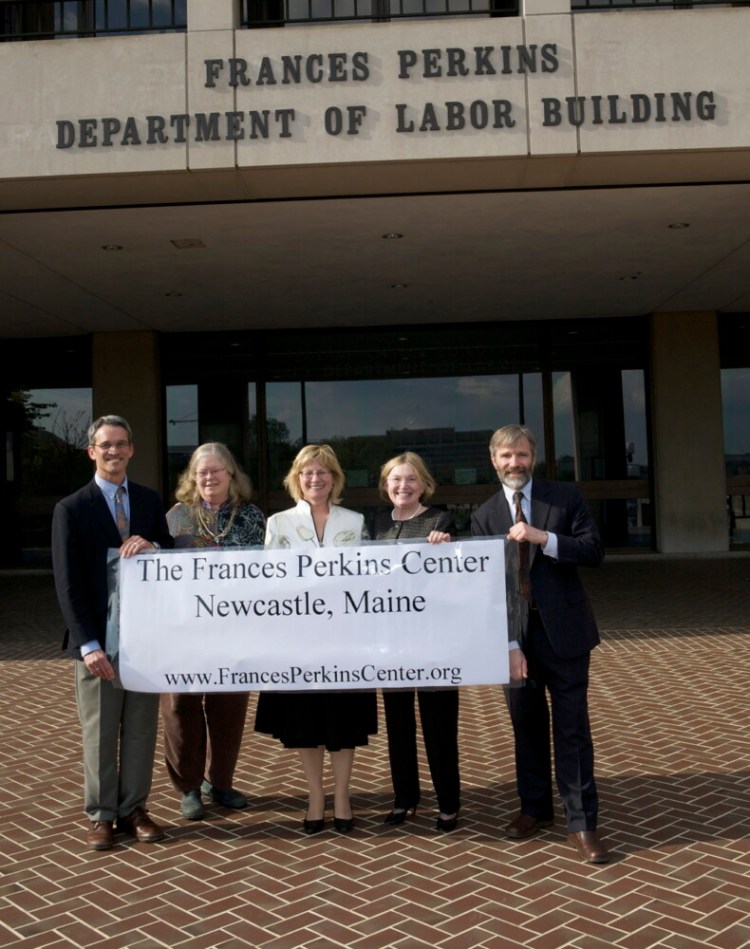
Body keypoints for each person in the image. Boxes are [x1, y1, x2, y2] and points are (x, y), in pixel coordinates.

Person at [471, 424, 610, 864]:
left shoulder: (564, 497)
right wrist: (508, 642)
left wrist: (542, 538)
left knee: (571, 730)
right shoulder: (485, 515)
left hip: (565, 635)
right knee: (525, 727)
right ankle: (534, 808)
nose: (516, 463)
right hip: (515, 642)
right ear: (494, 460)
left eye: (523, 455)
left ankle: (582, 823)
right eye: (507, 456)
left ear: (534, 457)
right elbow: (486, 588)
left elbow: (593, 550)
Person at [51, 414, 173, 851]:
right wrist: (87, 644)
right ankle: (102, 814)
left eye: (121, 444)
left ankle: (135, 809)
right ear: (92, 451)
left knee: (140, 727)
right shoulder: (71, 508)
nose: (114, 452)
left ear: (132, 449)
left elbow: (168, 551)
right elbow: (68, 584)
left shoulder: (147, 499)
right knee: (101, 730)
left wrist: (153, 545)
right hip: (98, 643)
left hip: (143, 641)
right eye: (106, 445)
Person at [254, 444, 377, 834]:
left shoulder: (355, 521)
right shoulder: (278, 523)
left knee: (343, 720)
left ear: (335, 478)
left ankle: (342, 795)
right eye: (307, 472)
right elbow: (267, 583)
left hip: (346, 640)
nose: (315, 479)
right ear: (297, 478)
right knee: (305, 719)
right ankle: (314, 796)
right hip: (297, 641)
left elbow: (373, 579)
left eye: (323, 472)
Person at [161, 443, 266, 820]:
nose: (208, 477)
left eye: (216, 471)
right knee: (180, 704)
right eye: (201, 472)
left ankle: (219, 782)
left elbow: (266, 574)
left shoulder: (252, 517)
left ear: (231, 474)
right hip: (184, 629)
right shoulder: (176, 517)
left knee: (228, 706)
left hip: (235, 628)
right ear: (192, 477)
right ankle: (189, 787)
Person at [370, 452, 462, 832]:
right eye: (395, 480)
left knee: (439, 724)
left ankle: (449, 802)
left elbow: (460, 572)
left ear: (424, 484)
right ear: (386, 485)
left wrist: (448, 545)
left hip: (433, 639)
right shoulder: (374, 524)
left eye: (410, 480)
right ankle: (405, 797)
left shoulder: (440, 520)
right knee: (398, 723)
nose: (403, 486)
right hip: (391, 639)